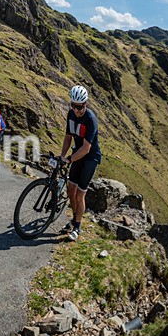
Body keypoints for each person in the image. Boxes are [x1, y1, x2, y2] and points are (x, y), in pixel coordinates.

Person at [59, 85, 101, 241]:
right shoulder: (71, 114)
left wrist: (69, 159)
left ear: (86, 104)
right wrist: (62, 156)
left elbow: (86, 148)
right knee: (70, 191)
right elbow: (68, 137)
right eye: (74, 106)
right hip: (78, 154)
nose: (77, 110)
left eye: (80, 107)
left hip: (90, 157)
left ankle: (77, 227)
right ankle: (73, 219)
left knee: (79, 195)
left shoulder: (90, 119)